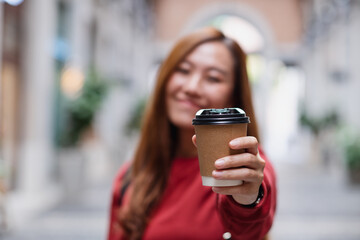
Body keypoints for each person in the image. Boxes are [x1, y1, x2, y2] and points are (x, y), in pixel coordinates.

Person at [108, 27, 277, 240]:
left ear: (234, 95)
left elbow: (250, 227)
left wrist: (249, 196)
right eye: (183, 70)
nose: (192, 87)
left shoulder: (248, 167)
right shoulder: (130, 176)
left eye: (213, 78)